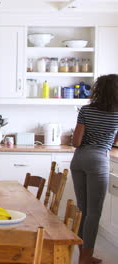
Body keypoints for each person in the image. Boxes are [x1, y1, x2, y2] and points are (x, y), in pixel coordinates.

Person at [71, 74, 118, 264]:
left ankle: (82, 254)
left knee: (82, 210)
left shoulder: (86, 110)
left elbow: (76, 142)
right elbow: (115, 141)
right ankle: (86, 257)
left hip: (79, 159)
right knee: (94, 212)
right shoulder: (117, 113)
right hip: (98, 160)